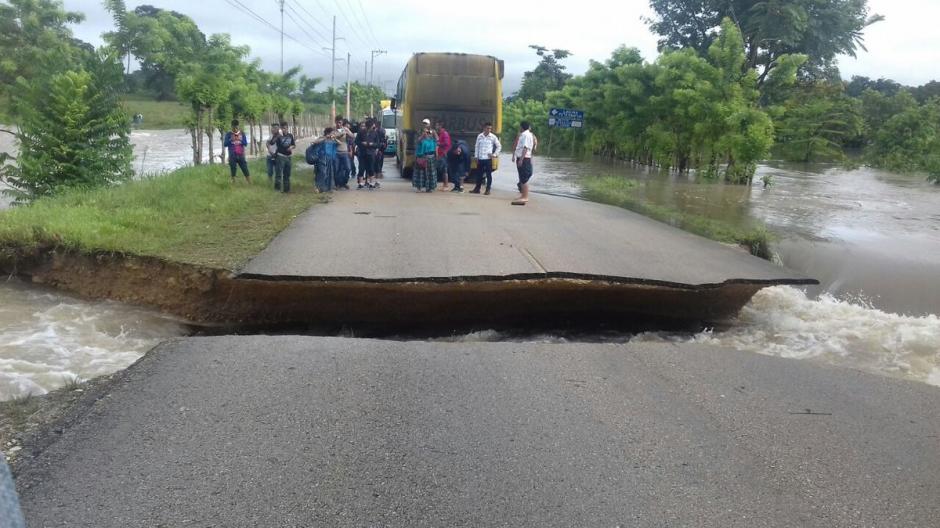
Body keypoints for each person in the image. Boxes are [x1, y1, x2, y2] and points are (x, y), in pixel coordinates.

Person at [472, 122, 501, 195]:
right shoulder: (480, 136)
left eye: (490, 128)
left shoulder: (493, 137)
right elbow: (477, 146)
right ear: (484, 128)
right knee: (479, 174)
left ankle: (488, 189)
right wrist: (476, 156)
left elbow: (499, 146)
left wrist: (494, 154)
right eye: (488, 128)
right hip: (480, 158)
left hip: (488, 159)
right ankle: (477, 189)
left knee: (488, 175)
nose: (489, 130)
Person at [512, 121, 536, 204]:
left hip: (524, 158)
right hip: (522, 157)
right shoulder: (524, 134)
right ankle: (523, 195)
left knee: (524, 178)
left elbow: (525, 148)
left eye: (520, 127)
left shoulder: (526, 135)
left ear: (522, 127)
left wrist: (521, 159)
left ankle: (525, 197)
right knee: (522, 177)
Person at [309, 127, 339, 192]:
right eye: (332, 132)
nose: (333, 134)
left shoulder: (333, 140)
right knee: (322, 172)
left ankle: (327, 188)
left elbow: (339, 143)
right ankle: (318, 187)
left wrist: (334, 138)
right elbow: (314, 142)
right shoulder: (322, 138)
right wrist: (325, 137)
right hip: (321, 158)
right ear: (328, 133)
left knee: (329, 173)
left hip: (330, 159)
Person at [413, 118, 438, 192]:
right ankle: (419, 187)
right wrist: (423, 136)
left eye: (426, 123)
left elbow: (437, 140)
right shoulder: (420, 131)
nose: (425, 125)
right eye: (424, 123)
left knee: (430, 173)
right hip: (421, 156)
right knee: (420, 173)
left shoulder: (433, 132)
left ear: (429, 124)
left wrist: (436, 152)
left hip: (431, 156)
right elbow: (417, 141)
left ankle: (429, 188)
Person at [272, 120, 295, 192]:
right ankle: (277, 189)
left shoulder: (290, 135)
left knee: (287, 174)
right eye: (282, 128)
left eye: (285, 128)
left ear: (287, 128)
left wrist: (291, 147)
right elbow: (272, 142)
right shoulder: (278, 135)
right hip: (280, 156)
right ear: (280, 128)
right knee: (279, 173)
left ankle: (287, 189)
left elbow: (293, 145)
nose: (284, 129)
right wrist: (278, 135)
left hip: (288, 157)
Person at [332, 116, 354, 189]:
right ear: (335, 122)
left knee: (348, 168)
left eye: (340, 122)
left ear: (342, 123)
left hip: (345, 152)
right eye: (337, 122)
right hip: (336, 153)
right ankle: (337, 184)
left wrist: (347, 132)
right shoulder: (333, 130)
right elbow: (332, 138)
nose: (338, 124)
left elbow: (353, 136)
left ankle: (344, 182)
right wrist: (338, 135)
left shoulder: (345, 129)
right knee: (336, 169)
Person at [435, 121, 451, 190]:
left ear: (440, 126)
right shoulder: (441, 134)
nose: (436, 127)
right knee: (442, 169)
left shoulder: (444, 134)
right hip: (441, 153)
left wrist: (439, 143)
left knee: (444, 170)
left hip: (444, 154)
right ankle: (444, 185)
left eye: (437, 125)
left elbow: (447, 143)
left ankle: (446, 185)